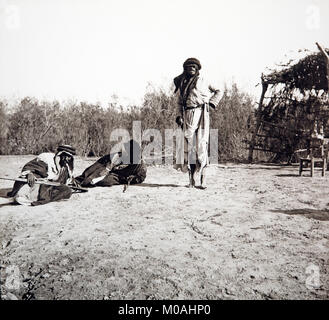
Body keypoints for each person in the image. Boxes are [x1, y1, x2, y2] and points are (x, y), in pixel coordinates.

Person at [173, 57, 222, 189]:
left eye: (194, 67)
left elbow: (219, 91)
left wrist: (212, 103)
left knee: (201, 144)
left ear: (198, 69)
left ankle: (203, 179)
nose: (192, 69)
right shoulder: (182, 83)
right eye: (189, 67)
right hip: (187, 115)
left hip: (202, 114)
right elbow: (179, 102)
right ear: (186, 69)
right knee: (189, 147)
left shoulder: (204, 81)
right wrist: (179, 116)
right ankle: (191, 180)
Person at [7, 145, 76, 206]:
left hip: (49, 187)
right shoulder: (47, 159)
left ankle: (41, 197)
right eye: (66, 156)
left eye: (69, 157)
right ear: (60, 155)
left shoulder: (66, 167)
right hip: (36, 183)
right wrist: (30, 173)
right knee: (28, 188)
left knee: (67, 191)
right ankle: (27, 197)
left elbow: (66, 180)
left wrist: (72, 183)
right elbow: (30, 166)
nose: (67, 159)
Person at [74, 139, 146, 189]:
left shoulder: (140, 165)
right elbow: (109, 165)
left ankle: (88, 182)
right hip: (106, 164)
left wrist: (132, 178)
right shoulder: (119, 156)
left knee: (104, 180)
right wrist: (108, 168)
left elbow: (141, 177)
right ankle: (81, 179)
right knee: (89, 172)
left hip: (118, 176)